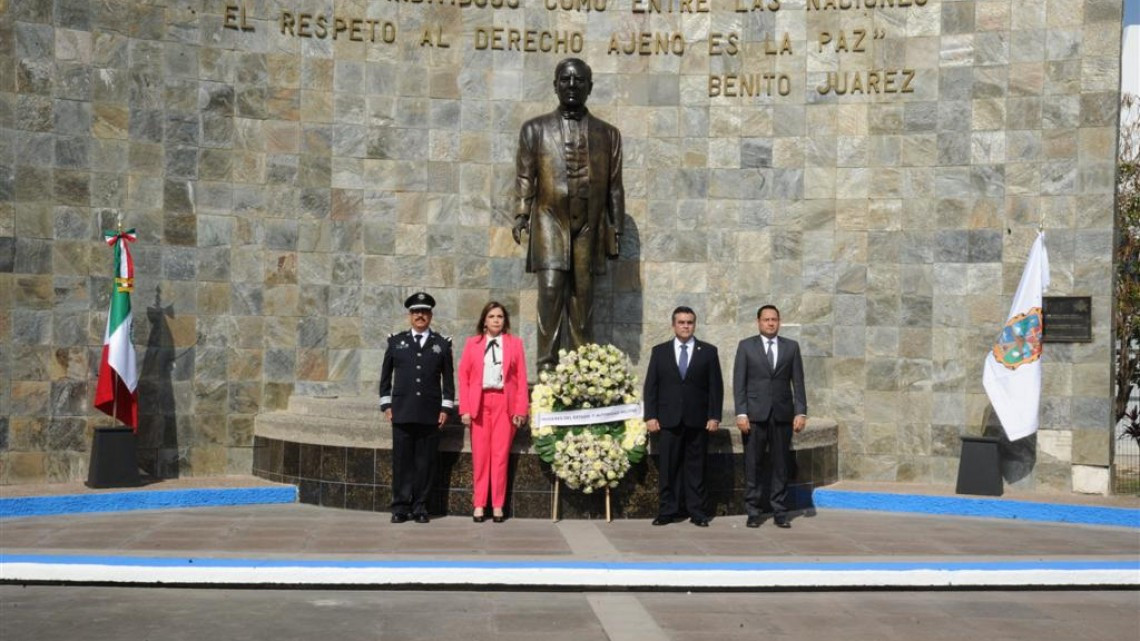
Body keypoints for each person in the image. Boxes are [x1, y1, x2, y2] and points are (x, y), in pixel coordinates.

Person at [513, 57, 625, 369]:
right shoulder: (534, 129)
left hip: (589, 223)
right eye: (565, 80)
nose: (572, 86)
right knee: (550, 290)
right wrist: (522, 212)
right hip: (550, 217)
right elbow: (525, 176)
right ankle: (547, 365)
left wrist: (616, 228)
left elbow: (615, 185)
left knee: (583, 297)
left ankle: (580, 367)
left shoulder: (608, 134)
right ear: (555, 85)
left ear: (590, 87)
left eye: (579, 81)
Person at [643, 306, 724, 527]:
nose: (686, 326)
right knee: (668, 468)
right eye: (681, 322)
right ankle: (667, 511)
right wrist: (650, 416)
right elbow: (651, 386)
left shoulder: (708, 351)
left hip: (698, 421)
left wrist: (714, 416)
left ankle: (697, 512)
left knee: (696, 468)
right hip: (668, 420)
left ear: (694, 325)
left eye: (689, 322)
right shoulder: (660, 352)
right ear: (673, 325)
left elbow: (715, 387)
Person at [379, 292, 455, 524]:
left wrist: (446, 408)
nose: (420, 315)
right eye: (415, 312)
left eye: (424, 312)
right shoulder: (396, 342)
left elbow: (448, 381)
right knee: (402, 462)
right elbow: (385, 378)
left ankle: (421, 506)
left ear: (430, 315)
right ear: (409, 316)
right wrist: (386, 405)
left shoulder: (441, 344)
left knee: (425, 462)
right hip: (402, 411)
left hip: (429, 412)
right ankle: (400, 507)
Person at [733, 305, 807, 529]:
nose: (770, 323)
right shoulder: (746, 347)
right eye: (766, 319)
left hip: (782, 415)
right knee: (753, 464)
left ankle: (780, 511)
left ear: (779, 321)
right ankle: (753, 511)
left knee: (781, 465)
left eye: (774, 319)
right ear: (758, 322)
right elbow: (739, 383)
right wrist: (741, 412)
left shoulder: (791, 347)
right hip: (754, 416)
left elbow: (799, 382)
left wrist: (800, 411)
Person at [457, 302, 529, 523]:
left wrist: (520, 410)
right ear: (484, 321)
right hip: (480, 403)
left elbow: (521, 379)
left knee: (500, 456)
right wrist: (465, 409)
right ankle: (479, 504)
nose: (496, 320)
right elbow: (464, 377)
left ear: (505, 320)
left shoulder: (514, 344)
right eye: (492, 316)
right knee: (480, 456)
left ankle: (497, 505)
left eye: (500, 316)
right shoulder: (473, 344)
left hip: (503, 404)